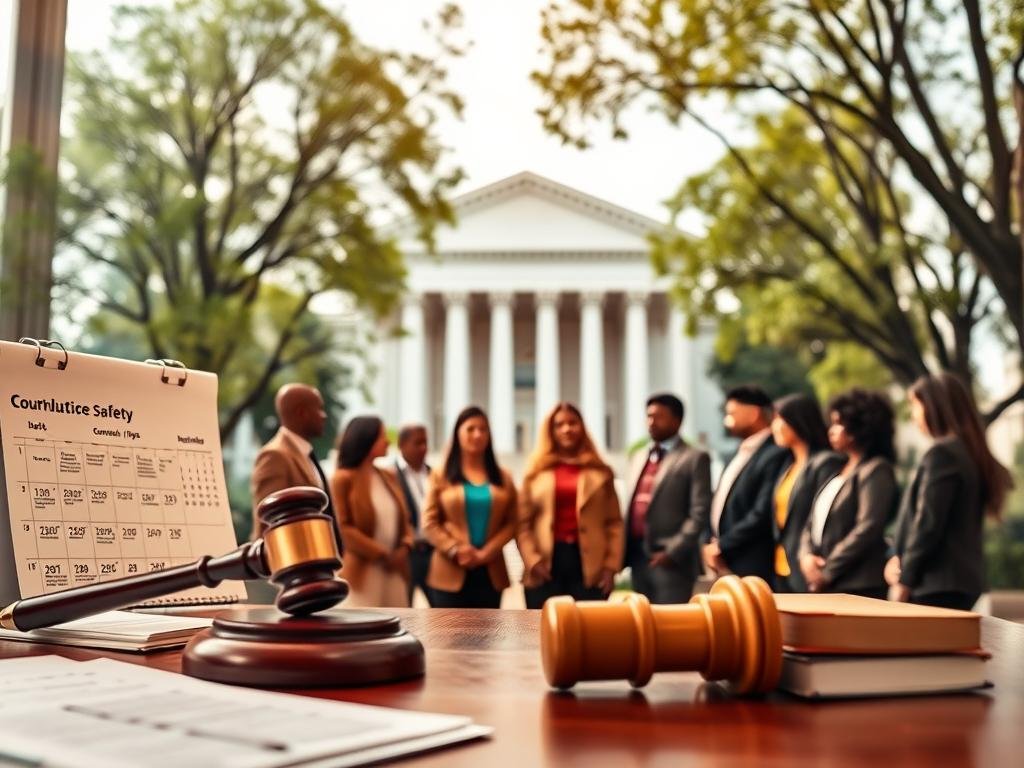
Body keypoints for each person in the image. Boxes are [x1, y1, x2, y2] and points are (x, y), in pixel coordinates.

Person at [886, 374, 1010, 610]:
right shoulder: (966, 452)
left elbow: (928, 523)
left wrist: (905, 579)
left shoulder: (942, 454)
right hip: (953, 583)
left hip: (935, 584)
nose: (913, 415)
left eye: (915, 405)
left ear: (934, 406)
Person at [517, 402, 623, 608]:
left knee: (590, 633)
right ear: (551, 431)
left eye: (573, 423)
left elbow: (614, 523)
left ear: (582, 427)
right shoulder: (535, 473)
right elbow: (522, 524)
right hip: (545, 563)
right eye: (559, 424)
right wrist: (532, 560)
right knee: (543, 631)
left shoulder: (602, 472)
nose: (567, 429)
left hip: (590, 564)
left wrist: (610, 566)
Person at [798, 389, 896, 598]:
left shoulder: (876, 470)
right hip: (829, 583)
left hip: (858, 584)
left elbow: (868, 527)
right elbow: (810, 523)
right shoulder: (838, 471)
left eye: (838, 423)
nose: (831, 431)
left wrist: (827, 570)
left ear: (858, 428)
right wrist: (806, 557)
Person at [422, 406, 518, 608]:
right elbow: (429, 522)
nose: (477, 434)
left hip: (491, 570)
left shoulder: (503, 476)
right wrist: (455, 549)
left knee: (487, 636)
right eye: (471, 429)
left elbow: (513, 522)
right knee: (449, 638)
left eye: (483, 429)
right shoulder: (442, 474)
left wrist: (487, 552)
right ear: (458, 433)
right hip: (449, 569)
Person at [624, 393, 711, 604]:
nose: (652, 422)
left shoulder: (694, 458)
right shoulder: (640, 456)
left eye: (659, 416)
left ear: (677, 420)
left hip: (671, 562)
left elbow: (699, 512)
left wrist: (672, 552)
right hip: (638, 558)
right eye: (649, 416)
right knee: (642, 625)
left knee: (670, 627)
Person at [704, 385, 788, 582]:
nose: (727, 420)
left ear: (753, 414)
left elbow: (762, 512)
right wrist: (708, 542)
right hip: (724, 559)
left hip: (752, 562)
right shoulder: (738, 452)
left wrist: (723, 545)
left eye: (732, 413)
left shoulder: (775, 453)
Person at [329, 416, 412, 608]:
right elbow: (344, 527)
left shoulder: (388, 476)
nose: (388, 441)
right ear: (366, 439)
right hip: (363, 573)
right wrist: (382, 554)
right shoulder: (343, 479)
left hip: (395, 572)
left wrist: (405, 546)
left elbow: (405, 520)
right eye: (382, 436)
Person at [769, 393, 844, 592]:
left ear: (798, 421)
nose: (774, 426)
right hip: (782, 565)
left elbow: (823, 516)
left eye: (779, 419)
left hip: (809, 566)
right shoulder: (788, 467)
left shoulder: (826, 463)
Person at [249, 384, 338, 548]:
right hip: (291, 564)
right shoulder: (275, 455)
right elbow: (269, 523)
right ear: (301, 413)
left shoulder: (305, 454)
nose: (324, 416)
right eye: (319, 409)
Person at [391, 424, 435, 606]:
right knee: (404, 610)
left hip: (433, 553)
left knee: (442, 613)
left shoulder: (435, 474)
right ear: (402, 444)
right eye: (417, 443)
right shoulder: (390, 476)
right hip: (407, 553)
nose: (423, 447)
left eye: (425, 442)